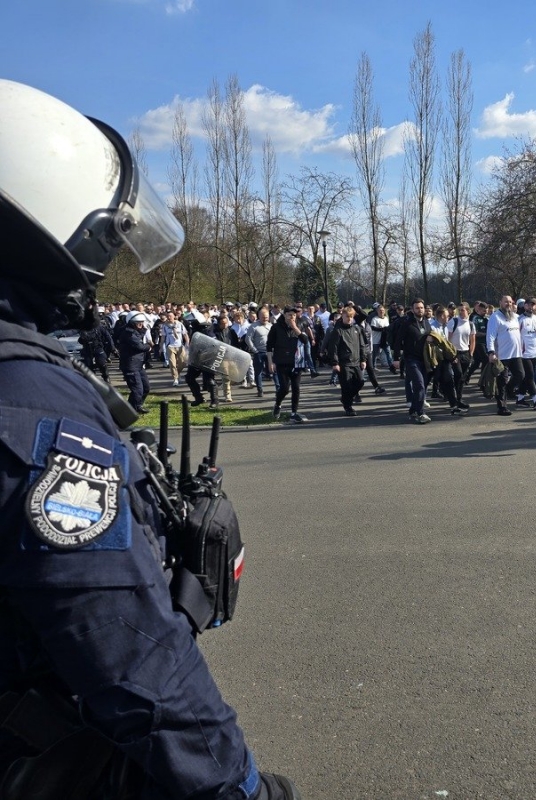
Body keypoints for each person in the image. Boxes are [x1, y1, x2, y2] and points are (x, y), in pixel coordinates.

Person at [0, 79, 298, 798]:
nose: (102, 264)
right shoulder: (32, 395)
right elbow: (122, 642)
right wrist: (237, 787)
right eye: (101, 238)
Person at [391, 298, 433, 424]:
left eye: (421, 307)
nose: (420, 310)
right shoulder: (407, 323)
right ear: (412, 309)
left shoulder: (426, 323)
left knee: (422, 386)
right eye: (417, 308)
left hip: (424, 359)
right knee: (419, 384)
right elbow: (398, 341)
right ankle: (421, 413)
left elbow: (429, 336)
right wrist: (396, 359)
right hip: (411, 359)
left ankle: (413, 410)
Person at [266, 307, 311, 423]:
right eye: (290, 315)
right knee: (285, 388)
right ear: (285, 315)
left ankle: (294, 413)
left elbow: (306, 340)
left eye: (294, 315)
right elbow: (269, 346)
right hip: (281, 362)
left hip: (296, 362)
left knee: (296, 388)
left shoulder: (299, 326)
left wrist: (295, 328)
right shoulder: (276, 327)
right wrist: (271, 362)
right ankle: (278, 404)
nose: (292, 317)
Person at [324, 302, 368, 416]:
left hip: (356, 362)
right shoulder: (338, 331)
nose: (349, 319)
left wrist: (363, 359)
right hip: (344, 363)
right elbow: (333, 348)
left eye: (351, 317)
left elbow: (362, 345)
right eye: (347, 316)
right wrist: (335, 362)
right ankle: (348, 406)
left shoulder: (357, 329)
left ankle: (345, 398)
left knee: (360, 382)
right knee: (346, 386)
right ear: (342, 316)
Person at [485, 296, 524, 416]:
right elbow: (490, 336)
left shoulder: (515, 317)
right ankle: (502, 407)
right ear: (500, 302)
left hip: (516, 354)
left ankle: (508, 390)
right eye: (506, 301)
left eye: (510, 302)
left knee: (520, 374)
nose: (508, 304)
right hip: (502, 355)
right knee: (502, 381)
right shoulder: (495, 317)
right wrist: (491, 352)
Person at [116, 311, 152, 414]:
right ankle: (130, 411)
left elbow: (140, 337)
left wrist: (144, 330)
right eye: (138, 323)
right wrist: (148, 347)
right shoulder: (128, 334)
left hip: (139, 364)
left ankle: (137, 406)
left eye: (142, 322)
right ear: (132, 322)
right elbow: (139, 346)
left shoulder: (135, 332)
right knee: (137, 389)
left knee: (146, 388)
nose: (141, 325)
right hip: (130, 365)